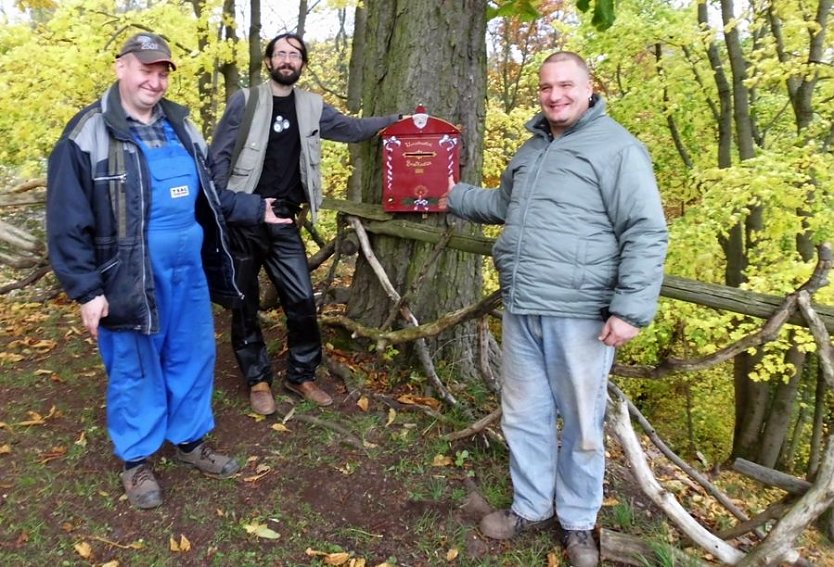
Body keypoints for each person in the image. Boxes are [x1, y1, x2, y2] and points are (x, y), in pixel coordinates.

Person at [443, 52, 668, 567]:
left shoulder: (618, 149)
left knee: (583, 426)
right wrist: (449, 194)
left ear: (590, 88)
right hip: (523, 306)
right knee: (525, 416)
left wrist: (630, 308)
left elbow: (646, 230)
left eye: (566, 85)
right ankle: (530, 506)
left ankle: (579, 524)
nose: (554, 95)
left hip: (581, 313)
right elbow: (502, 207)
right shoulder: (531, 150)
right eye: (546, 87)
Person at [46, 32, 281, 510]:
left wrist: (257, 208)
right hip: (129, 275)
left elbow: (209, 195)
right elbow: (67, 221)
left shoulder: (181, 125)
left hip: (188, 270)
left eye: (162, 73)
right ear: (121, 68)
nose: (154, 81)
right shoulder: (87, 133)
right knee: (135, 365)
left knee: (192, 354)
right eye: (145, 70)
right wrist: (87, 291)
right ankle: (136, 461)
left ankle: (191, 441)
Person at [210, 33, 399, 413]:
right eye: (280, 53)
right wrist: (231, 207)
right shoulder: (245, 102)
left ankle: (301, 374)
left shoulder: (312, 107)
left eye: (294, 54)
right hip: (244, 218)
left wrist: (397, 122)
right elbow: (218, 158)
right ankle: (257, 378)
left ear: (302, 64)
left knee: (300, 299)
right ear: (267, 61)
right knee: (244, 304)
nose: (286, 59)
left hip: (283, 218)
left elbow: (350, 129)